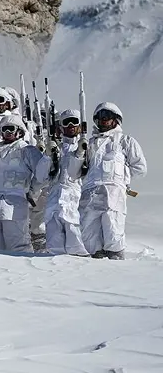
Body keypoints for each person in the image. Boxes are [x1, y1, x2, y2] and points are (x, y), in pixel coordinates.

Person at [80, 102, 147, 259]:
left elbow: (140, 168)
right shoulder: (88, 144)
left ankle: (116, 265)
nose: (103, 119)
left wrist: (121, 179)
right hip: (90, 195)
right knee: (90, 236)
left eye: (107, 116)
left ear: (116, 119)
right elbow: (77, 171)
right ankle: (93, 267)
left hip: (113, 195)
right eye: (100, 116)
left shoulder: (125, 141)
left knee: (113, 231)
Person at [0, 115, 49, 252]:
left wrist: (31, 190)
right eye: (4, 129)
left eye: (11, 128)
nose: (7, 132)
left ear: (19, 130)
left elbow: (43, 174)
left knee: (18, 247)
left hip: (15, 204)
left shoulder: (27, 150)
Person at [43, 109, 89, 256]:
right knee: (54, 246)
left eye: (74, 122)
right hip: (54, 200)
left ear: (80, 126)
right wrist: (47, 156)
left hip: (75, 199)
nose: (70, 126)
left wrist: (81, 153)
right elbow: (40, 177)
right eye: (66, 122)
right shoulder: (56, 149)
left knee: (77, 244)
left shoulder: (87, 147)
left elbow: (76, 174)